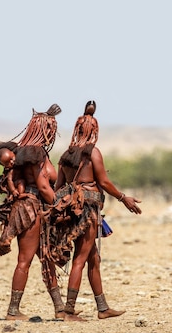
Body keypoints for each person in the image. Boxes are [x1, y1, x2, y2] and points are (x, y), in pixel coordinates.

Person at [49, 100, 142, 321]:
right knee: (81, 259)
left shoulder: (65, 155)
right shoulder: (93, 153)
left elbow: (58, 187)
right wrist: (123, 198)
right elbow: (105, 182)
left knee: (93, 259)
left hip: (72, 211)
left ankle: (102, 308)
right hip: (88, 211)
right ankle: (69, 311)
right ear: (94, 130)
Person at [0, 104, 65, 320]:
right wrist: (59, 204)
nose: (51, 133)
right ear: (41, 129)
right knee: (25, 260)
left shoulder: (26, 153)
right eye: (49, 129)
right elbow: (44, 187)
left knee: (46, 257)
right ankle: (13, 311)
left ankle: (60, 309)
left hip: (35, 208)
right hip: (30, 209)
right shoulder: (34, 154)